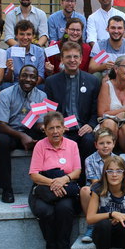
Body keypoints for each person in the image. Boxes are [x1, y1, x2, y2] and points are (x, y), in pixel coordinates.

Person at [28, 111, 81, 249]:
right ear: (45, 130)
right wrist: (53, 183)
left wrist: (63, 179)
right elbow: (34, 174)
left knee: (65, 209)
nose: (55, 131)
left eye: (58, 127)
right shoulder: (40, 145)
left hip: (66, 185)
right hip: (45, 187)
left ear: (64, 128)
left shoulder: (72, 145)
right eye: (51, 128)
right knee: (46, 211)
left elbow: (77, 171)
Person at [0, 65, 46, 203]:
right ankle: (6, 189)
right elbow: (0, 124)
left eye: (32, 77)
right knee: (0, 141)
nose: (28, 79)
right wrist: (22, 136)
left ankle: (44, 186)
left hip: (30, 130)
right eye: (24, 75)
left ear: (37, 79)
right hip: (10, 131)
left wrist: (45, 128)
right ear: (18, 77)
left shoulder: (41, 95)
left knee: (47, 139)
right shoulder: (5, 94)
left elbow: (39, 122)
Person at [44, 41, 101, 171]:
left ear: (81, 59)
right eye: (68, 57)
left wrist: (91, 125)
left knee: (89, 140)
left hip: (83, 127)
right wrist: (59, 126)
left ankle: (85, 180)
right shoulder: (51, 82)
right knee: (61, 140)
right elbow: (50, 111)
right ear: (62, 59)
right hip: (62, 128)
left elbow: (95, 109)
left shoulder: (93, 81)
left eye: (76, 56)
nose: (72, 60)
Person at [79, 127, 117, 244]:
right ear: (95, 145)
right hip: (96, 188)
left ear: (114, 144)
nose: (105, 146)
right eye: (101, 143)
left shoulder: (118, 159)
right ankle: (91, 226)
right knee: (85, 191)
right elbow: (94, 182)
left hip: (113, 187)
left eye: (108, 143)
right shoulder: (89, 160)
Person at [96, 55, 125, 153]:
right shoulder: (107, 86)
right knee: (109, 123)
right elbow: (102, 113)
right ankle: (107, 157)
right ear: (116, 69)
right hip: (108, 124)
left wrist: (124, 114)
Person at [4, 20, 45, 88]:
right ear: (16, 35)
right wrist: (10, 71)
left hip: (33, 85)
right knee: (4, 86)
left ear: (33, 36)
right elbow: (7, 79)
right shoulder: (9, 51)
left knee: (43, 87)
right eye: (22, 34)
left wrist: (28, 88)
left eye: (28, 34)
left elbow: (40, 76)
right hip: (15, 85)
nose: (25, 37)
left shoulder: (39, 52)